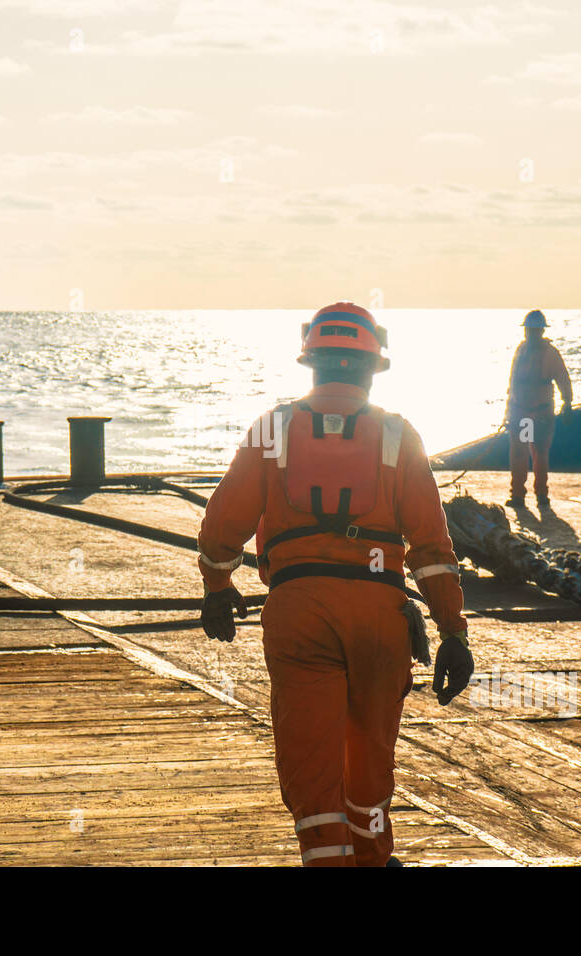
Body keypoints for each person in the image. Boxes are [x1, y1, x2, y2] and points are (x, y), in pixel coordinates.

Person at [196, 302, 474, 867]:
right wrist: (453, 631)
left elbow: (223, 527)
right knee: (370, 757)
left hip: (300, 614)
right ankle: (372, 857)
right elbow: (431, 551)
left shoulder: (272, 429)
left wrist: (217, 587)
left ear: (312, 363)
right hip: (381, 617)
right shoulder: (400, 436)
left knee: (311, 760)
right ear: (373, 368)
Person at [505, 310, 572, 509]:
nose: (530, 334)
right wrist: (509, 410)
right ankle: (518, 496)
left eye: (533, 330)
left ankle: (541, 495)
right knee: (519, 455)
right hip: (523, 414)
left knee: (539, 455)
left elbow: (563, 379)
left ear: (540, 331)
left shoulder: (550, 354)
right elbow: (513, 383)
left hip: (540, 415)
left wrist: (567, 403)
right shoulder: (521, 351)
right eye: (529, 330)